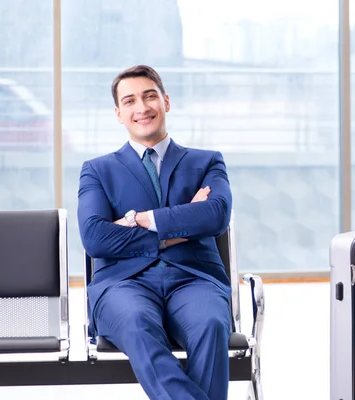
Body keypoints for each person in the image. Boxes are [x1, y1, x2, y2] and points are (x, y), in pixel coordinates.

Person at [77, 65, 233, 400]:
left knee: (210, 325)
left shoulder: (206, 162)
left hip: (194, 278)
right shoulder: (97, 170)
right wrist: (179, 224)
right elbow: (94, 238)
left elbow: (216, 215)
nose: (142, 107)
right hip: (121, 284)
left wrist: (137, 219)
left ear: (166, 101)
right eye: (130, 101)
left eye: (150, 96)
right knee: (137, 324)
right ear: (119, 113)